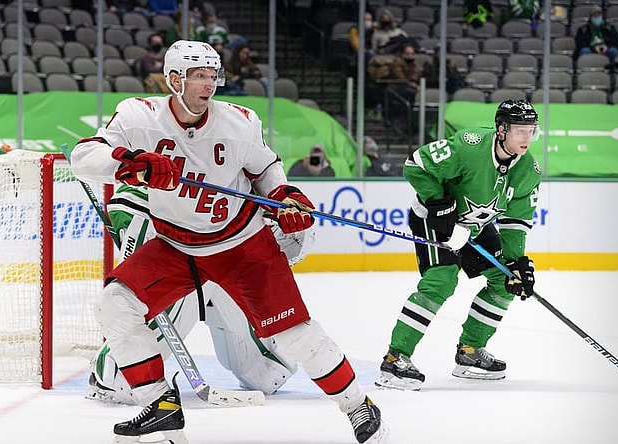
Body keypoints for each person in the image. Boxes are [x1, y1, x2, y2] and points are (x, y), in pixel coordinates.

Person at [70, 40, 387, 444]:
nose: (209, 85)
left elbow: (266, 169)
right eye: (199, 76)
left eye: (213, 75)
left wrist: (284, 197)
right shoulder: (139, 116)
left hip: (242, 246)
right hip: (175, 245)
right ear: (173, 79)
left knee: (294, 332)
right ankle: (159, 405)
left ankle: (358, 404)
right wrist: (130, 165)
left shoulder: (239, 122)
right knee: (114, 303)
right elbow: (83, 156)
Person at [87, 184, 312, 403]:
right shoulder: (254, 212)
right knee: (121, 379)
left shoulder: (256, 220)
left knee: (268, 373)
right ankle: (113, 367)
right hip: (154, 211)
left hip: (209, 231)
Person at [375, 99, 541, 391]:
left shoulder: (529, 169)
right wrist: (439, 204)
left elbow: (515, 223)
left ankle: (470, 352)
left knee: (505, 280)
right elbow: (416, 165)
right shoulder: (470, 146)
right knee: (442, 280)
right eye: (520, 131)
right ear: (502, 129)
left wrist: (515, 263)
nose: (527, 138)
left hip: (475, 227)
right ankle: (395, 359)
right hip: (435, 220)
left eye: (531, 131)